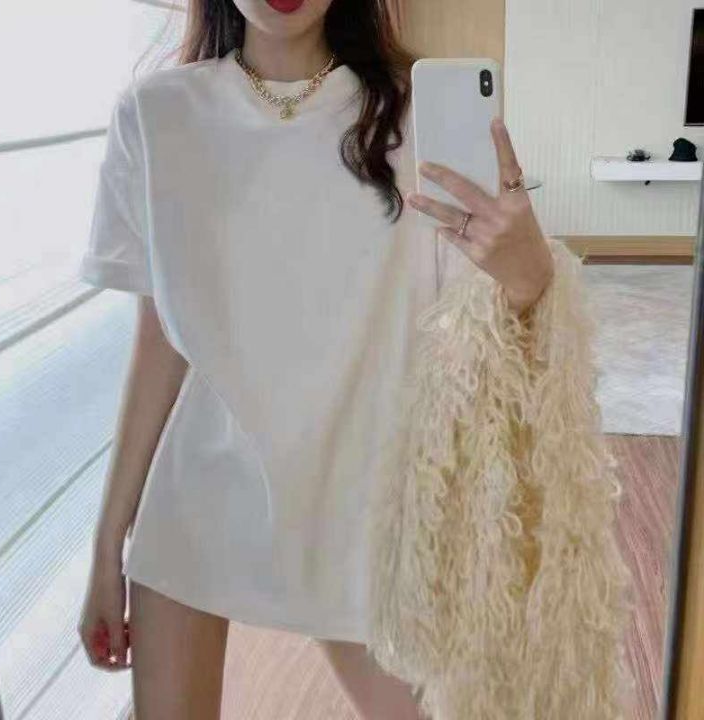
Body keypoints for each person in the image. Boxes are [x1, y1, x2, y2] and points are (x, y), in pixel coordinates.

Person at [76, 0, 554, 718]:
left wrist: (530, 271)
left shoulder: (418, 111)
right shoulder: (156, 115)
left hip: (364, 511)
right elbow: (160, 342)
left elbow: (481, 333)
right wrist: (106, 545)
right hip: (201, 500)